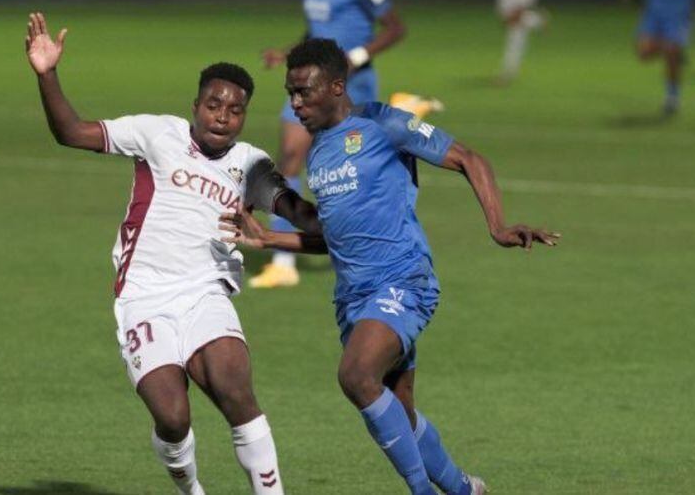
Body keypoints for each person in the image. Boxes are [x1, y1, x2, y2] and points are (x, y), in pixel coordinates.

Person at [222, 39, 560, 494]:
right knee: (400, 409)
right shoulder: (320, 153)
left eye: (303, 91)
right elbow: (334, 237)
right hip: (353, 298)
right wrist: (268, 237)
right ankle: (465, 490)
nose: (294, 103)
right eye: (290, 92)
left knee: (356, 375)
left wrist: (497, 226)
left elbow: (469, 158)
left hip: (403, 280)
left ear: (337, 86)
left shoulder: (381, 122)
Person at [24, 12, 301, 494]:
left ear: (244, 117)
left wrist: (349, 211)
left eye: (235, 110)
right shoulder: (157, 134)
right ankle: (191, 489)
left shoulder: (251, 163)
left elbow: (299, 211)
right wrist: (48, 74)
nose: (223, 115)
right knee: (173, 419)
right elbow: (70, 132)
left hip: (205, 292)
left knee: (236, 389)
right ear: (196, 105)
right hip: (144, 296)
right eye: (214, 104)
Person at [255, 0, 441, 289]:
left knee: (356, 169)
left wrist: (355, 56)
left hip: (352, 87)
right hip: (310, 84)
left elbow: (395, 28)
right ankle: (283, 263)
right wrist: (289, 52)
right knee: (290, 157)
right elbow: (316, 34)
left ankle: (403, 116)